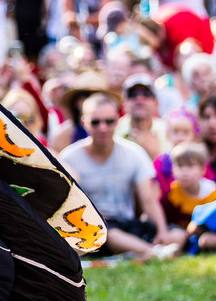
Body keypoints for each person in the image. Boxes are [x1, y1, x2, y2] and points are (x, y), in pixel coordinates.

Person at [59, 92, 179, 258]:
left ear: (117, 120)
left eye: (109, 121)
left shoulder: (133, 153)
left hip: (128, 224)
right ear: (84, 123)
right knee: (110, 234)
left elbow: (148, 200)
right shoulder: (69, 158)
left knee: (177, 235)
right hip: (93, 230)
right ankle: (153, 252)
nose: (103, 128)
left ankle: (147, 249)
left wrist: (162, 231)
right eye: (96, 122)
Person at [159, 140, 216, 250]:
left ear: (202, 169)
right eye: (180, 166)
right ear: (173, 170)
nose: (185, 172)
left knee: (211, 239)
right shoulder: (172, 192)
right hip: (178, 230)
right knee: (176, 236)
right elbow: (161, 213)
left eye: (190, 166)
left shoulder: (211, 192)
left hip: (203, 234)